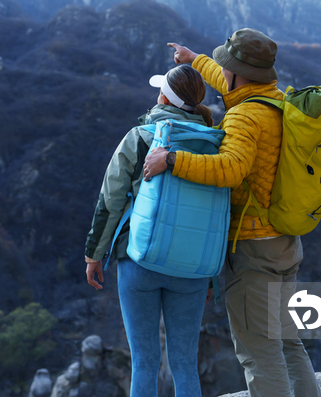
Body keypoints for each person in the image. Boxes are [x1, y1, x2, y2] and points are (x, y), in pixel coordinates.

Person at [142, 28, 321, 397]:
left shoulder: (244, 118)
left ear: (240, 74)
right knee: (288, 343)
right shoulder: (273, 100)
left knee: (260, 353)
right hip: (285, 243)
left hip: (255, 252)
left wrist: (171, 159)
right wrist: (193, 60)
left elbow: (229, 169)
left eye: (226, 67)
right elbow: (225, 80)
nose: (221, 73)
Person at [85, 64, 215, 397]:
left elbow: (110, 200)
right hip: (194, 267)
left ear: (163, 97)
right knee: (185, 363)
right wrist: (213, 271)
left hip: (140, 257)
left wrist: (94, 255)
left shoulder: (140, 138)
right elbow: (219, 213)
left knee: (144, 362)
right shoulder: (216, 145)